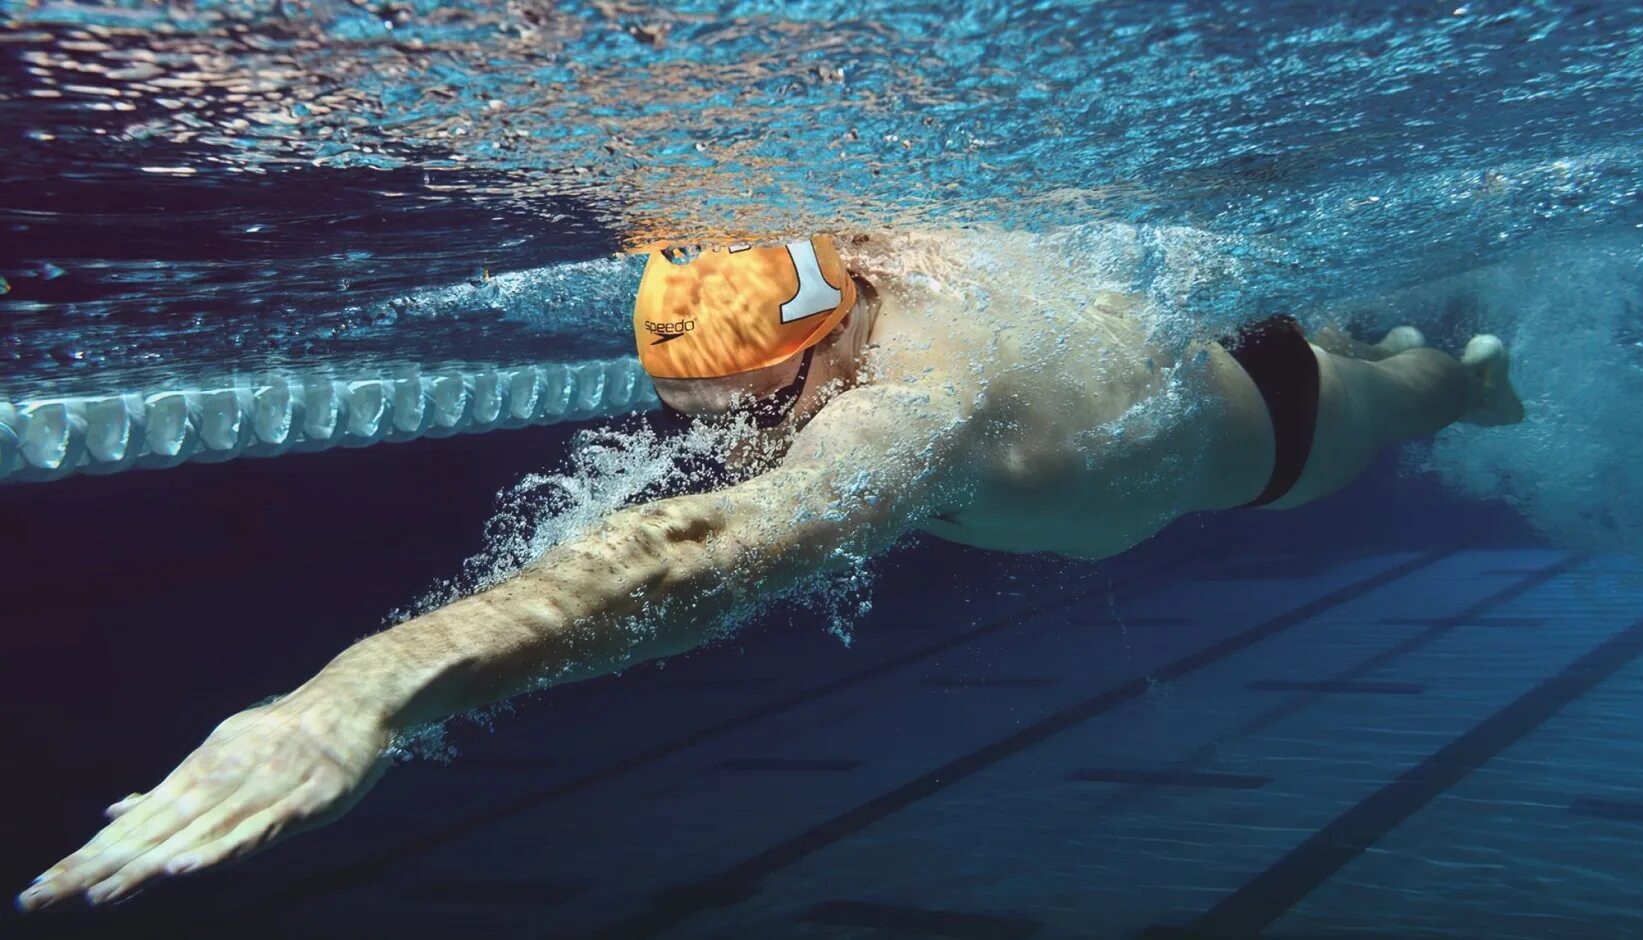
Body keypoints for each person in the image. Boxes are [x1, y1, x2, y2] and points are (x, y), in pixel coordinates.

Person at [16, 231, 1523, 912]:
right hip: (1181, 353)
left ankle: (1461, 367)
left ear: (834, 354)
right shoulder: (852, 264)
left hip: (1274, 438)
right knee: (1347, 330)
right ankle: (1387, 332)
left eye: (764, 420)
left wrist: (356, 698)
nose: (744, 453)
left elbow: (700, 550)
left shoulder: (914, 402)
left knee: (1423, 385)